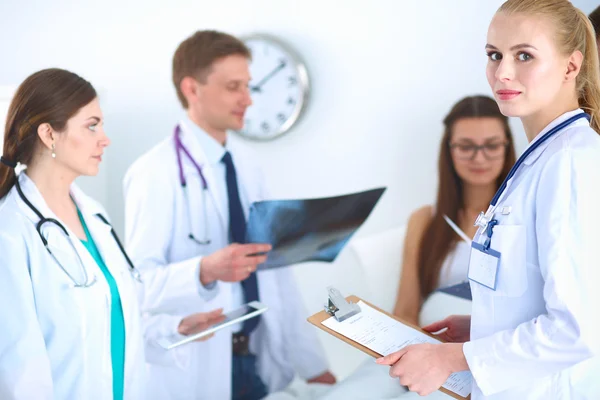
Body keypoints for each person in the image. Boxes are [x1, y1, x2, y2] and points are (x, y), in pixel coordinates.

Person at [377, 1, 600, 399]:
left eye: (524, 55)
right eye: (494, 55)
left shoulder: (570, 161)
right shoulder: (542, 157)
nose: (503, 73)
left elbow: (576, 330)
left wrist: (457, 357)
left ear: (571, 66)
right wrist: (483, 329)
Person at [123, 30, 334, 400]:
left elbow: (277, 273)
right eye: (234, 86)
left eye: (248, 86)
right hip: (202, 361)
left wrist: (313, 365)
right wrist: (202, 270)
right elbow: (137, 286)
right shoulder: (152, 173)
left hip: (256, 357)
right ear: (192, 89)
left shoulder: (248, 166)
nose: (248, 100)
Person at [0, 68, 224, 400]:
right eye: (92, 126)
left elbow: (110, 321)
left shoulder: (95, 216)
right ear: (49, 134)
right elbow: (20, 372)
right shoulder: (11, 231)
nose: (105, 138)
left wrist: (173, 329)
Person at [394, 95, 516, 326]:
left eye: (491, 145)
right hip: (435, 348)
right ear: (449, 150)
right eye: (466, 146)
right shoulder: (424, 220)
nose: (479, 158)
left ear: (506, 146)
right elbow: (405, 312)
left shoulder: (523, 216)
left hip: (500, 351)